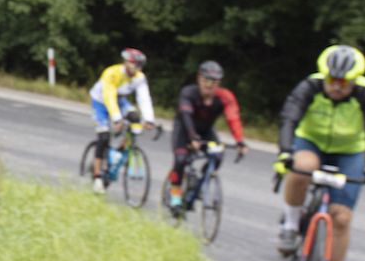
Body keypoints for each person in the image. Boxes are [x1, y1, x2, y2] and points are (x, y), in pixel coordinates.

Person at [275, 44, 365, 261]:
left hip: (350, 151)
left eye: (343, 83)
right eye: (332, 81)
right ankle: (290, 226)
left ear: (354, 81)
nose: (336, 87)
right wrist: (285, 151)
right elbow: (290, 117)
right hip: (311, 141)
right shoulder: (311, 86)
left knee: (341, 218)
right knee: (302, 169)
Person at [164, 59, 247, 211]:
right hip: (184, 129)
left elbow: (233, 118)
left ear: (219, 82)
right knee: (181, 159)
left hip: (206, 131)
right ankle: (175, 195)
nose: (209, 85)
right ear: (199, 78)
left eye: (214, 81)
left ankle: (201, 182)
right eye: (206, 80)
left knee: (218, 156)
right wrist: (193, 137)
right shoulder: (189, 93)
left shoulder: (225, 97)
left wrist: (240, 141)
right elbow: (186, 115)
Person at [87, 48, 156, 192]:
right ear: (125, 62)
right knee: (104, 137)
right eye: (133, 64)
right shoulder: (112, 73)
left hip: (120, 100)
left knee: (135, 118)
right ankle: (97, 176)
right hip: (100, 102)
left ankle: (119, 151)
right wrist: (117, 119)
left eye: (139, 66)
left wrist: (149, 119)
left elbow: (144, 98)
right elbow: (109, 96)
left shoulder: (139, 77)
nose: (136, 68)